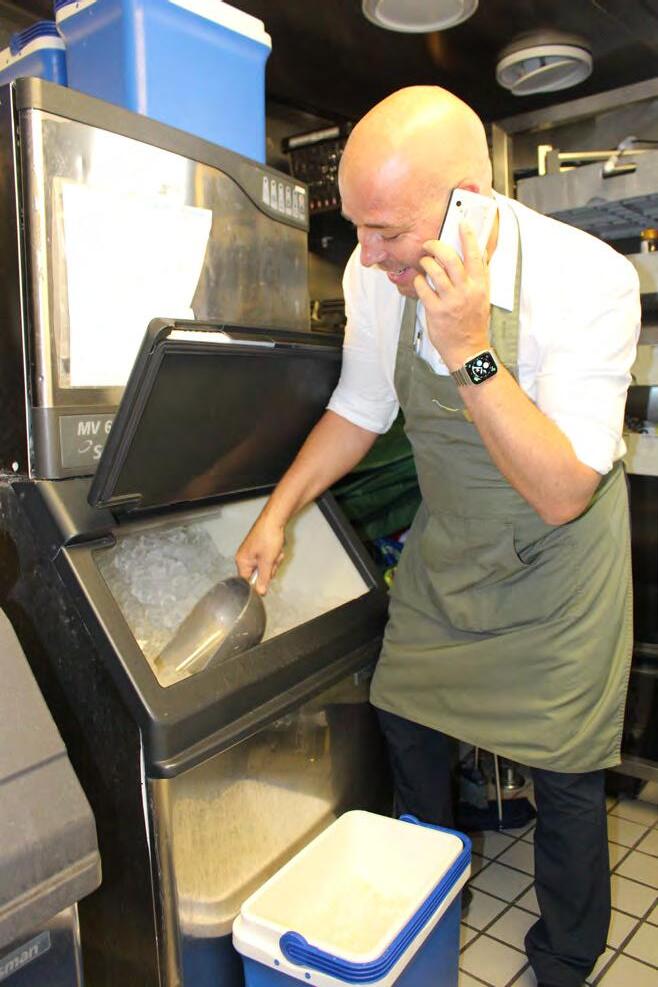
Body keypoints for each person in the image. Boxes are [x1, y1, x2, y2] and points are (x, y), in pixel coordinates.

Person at [236, 86, 641, 987]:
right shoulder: (377, 273)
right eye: (357, 228)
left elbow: (562, 491)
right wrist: (278, 510)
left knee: (566, 769)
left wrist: (467, 348)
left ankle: (565, 957)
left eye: (386, 231)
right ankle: (429, 900)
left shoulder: (589, 281)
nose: (368, 254)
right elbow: (360, 406)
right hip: (454, 542)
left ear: (469, 203)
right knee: (405, 713)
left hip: (559, 567)